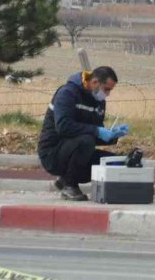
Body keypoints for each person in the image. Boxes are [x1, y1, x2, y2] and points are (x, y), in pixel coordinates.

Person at [37, 67, 129, 201]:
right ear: (95, 82)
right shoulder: (67, 93)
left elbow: (94, 133)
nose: (107, 94)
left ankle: (64, 179)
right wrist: (96, 131)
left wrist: (112, 136)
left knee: (110, 161)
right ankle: (70, 185)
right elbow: (63, 126)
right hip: (53, 152)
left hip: (77, 147)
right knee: (86, 141)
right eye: (106, 89)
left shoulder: (99, 102)